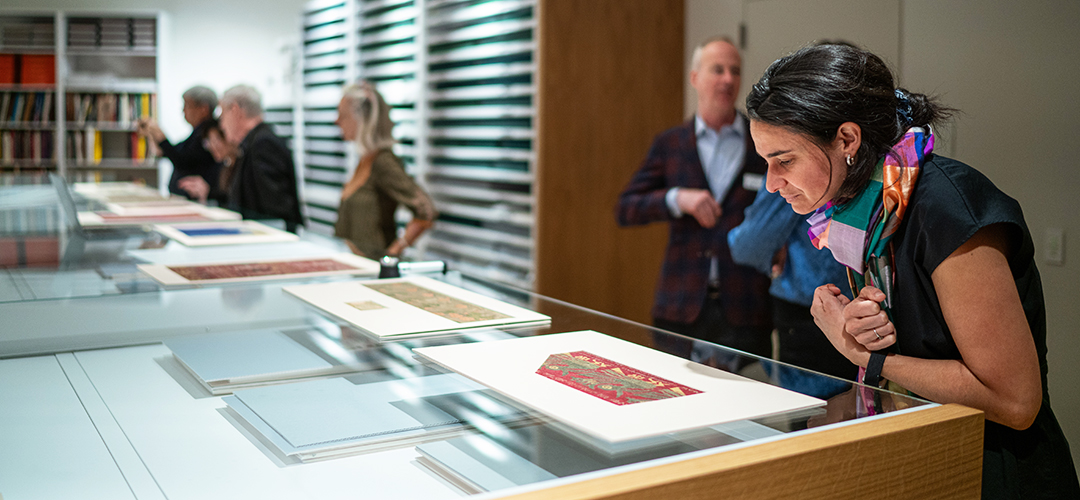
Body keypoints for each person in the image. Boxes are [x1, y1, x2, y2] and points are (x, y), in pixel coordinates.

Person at [744, 42, 1078, 498]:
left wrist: (868, 356)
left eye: (784, 160)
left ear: (847, 140)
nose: (771, 182)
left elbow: (1015, 401)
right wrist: (862, 323)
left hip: (992, 472)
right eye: (765, 162)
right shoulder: (869, 208)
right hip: (923, 456)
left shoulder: (945, 209)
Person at [615, 36, 772, 371]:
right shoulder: (671, 144)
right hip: (680, 305)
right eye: (718, 70)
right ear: (695, 77)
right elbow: (626, 208)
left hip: (746, 305)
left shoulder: (761, 141)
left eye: (735, 71)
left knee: (747, 415)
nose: (728, 79)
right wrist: (676, 198)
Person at [728, 187, 857, 398]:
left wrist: (766, 249)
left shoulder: (796, 173)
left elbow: (747, 245)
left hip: (808, 312)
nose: (773, 181)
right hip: (871, 306)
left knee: (811, 420)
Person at [332, 81, 436, 257]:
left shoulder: (383, 162)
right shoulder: (366, 160)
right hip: (356, 266)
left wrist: (392, 253)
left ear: (361, 119)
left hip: (372, 269)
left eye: (343, 115)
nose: (337, 121)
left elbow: (426, 211)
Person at [216, 84, 303, 232]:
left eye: (223, 115)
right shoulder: (253, 143)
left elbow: (275, 210)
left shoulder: (263, 144)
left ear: (235, 110)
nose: (222, 125)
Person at [137, 85, 221, 201]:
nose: (183, 111)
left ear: (203, 109)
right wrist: (152, 133)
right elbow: (168, 152)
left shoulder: (208, 133)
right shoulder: (197, 133)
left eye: (187, 106)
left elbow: (183, 161)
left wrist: (160, 135)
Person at [177, 119, 237, 205]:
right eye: (209, 141)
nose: (212, 146)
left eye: (216, 140)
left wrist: (208, 192)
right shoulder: (223, 167)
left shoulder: (239, 164)